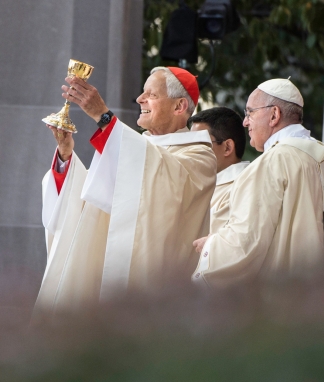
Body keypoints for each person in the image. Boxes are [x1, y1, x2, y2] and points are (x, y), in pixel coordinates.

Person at [34, 66, 216, 314]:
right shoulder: (140, 149)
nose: (140, 99)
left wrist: (104, 117)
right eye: (142, 93)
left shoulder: (198, 154)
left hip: (155, 291)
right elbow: (94, 200)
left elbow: (162, 192)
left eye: (151, 94)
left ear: (179, 106)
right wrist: (65, 157)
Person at [192, 78, 324, 289]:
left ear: (274, 115)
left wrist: (210, 246)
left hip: (284, 301)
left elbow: (246, 243)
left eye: (250, 113)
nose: (245, 122)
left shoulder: (272, 164)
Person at [188, 107, 249, 233]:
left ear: (227, 147)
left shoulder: (242, 186)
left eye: (199, 144)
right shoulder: (196, 181)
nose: (191, 151)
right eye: (189, 144)